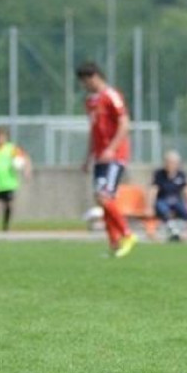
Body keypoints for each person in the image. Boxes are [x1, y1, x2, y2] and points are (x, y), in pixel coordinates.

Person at [77, 61, 138, 258]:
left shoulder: (111, 95)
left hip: (115, 156)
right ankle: (114, 243)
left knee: (104, 197)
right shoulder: (90, 102)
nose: (84, 86)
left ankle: (127, 234)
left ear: (94, 77)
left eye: (85, 81)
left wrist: (112, 148)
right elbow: (93, 131)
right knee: (101, 199)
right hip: (100, 157)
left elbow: (125, 124)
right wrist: (88, 157)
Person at [0, 127, 31, 231]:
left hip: (9, 183)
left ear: (6, 138)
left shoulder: (11, 148)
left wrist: (27, 170)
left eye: (2, 137)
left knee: (9, 205)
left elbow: (25, 158)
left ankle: (5, 227)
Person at [148, 150, 187, 242]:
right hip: (162, 199)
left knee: (184, 211)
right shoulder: (159, 174)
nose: (171, 164)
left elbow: (185, 191)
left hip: (176, 200)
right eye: (169, 162)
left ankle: (177, 232)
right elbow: (154, 190)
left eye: (174, 162)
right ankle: (174, 232)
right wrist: (149, 205)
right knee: (163, 209)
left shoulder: (181, 175)